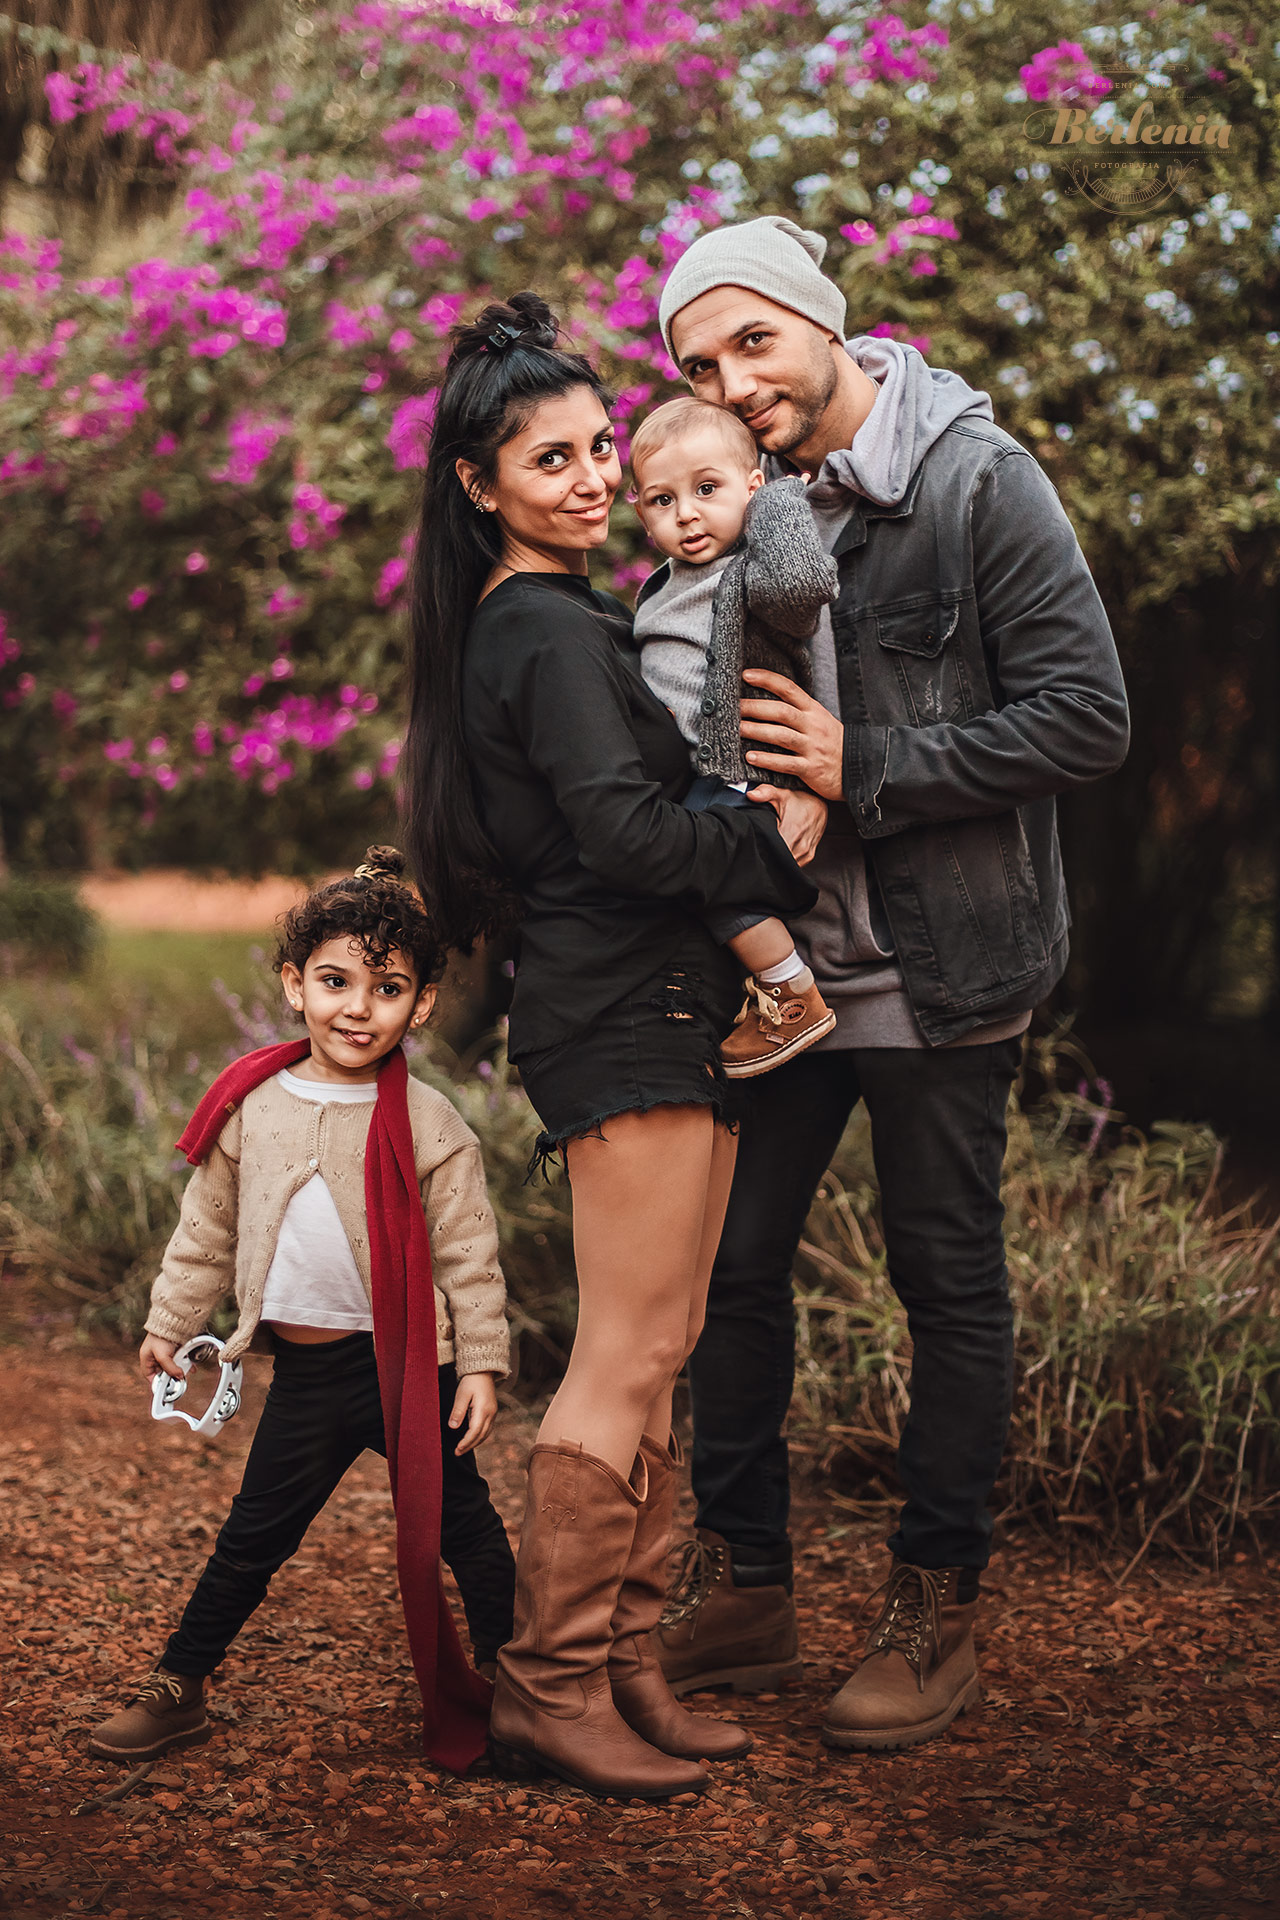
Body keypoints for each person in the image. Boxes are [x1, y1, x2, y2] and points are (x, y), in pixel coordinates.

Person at [651, 216, 1130, 1751]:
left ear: (820, 323)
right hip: (787, 977)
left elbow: (1088, 718)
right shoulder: (745, 499)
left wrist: (875, 767)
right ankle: (747, 1589)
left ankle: (936, 1616)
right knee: (732, 1276)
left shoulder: (978, 480)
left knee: (946, 1285)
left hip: (945, 968)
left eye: (752, 343)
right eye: (699, 364)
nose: (731, 382)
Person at [402, 291, 821, 1799]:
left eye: (598, 450)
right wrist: (775, 843)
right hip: (618, 1008)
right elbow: (632, 839)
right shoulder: (547, 631)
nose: (590, 481)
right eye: (551, 461)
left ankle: (627, 1656)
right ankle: (553, 1678)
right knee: (627, 1351)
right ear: (479, 486)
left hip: (658, 1006)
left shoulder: (575, 615)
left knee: (667, 1345)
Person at [87, 849, 513, 1769]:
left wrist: (478, 1359)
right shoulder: (252, 1106)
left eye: (388, 988)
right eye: (335, 981)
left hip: (409, 1372)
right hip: (314, 1378)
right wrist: (169, 1322)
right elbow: (206, 1229)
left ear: (423, 1004)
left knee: (468, 1534)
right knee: (253, 1535)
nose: (358, 1009)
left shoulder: (432, 1121)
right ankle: (181, 1685)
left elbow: (468, 1251)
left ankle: (526, 1691)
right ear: (293, 983)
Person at [629, 395, 838, 1077]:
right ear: (640, 512)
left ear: (748, 487)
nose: (686, 513)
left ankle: (791, 992)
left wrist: (778, 503)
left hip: (746, 769)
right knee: (691, 878)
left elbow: (805, 587)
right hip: (701, 774)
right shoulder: (664, 585)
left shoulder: (750, 572)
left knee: (701, 875)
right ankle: (766, 987)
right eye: (662, 500)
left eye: (707, 489)